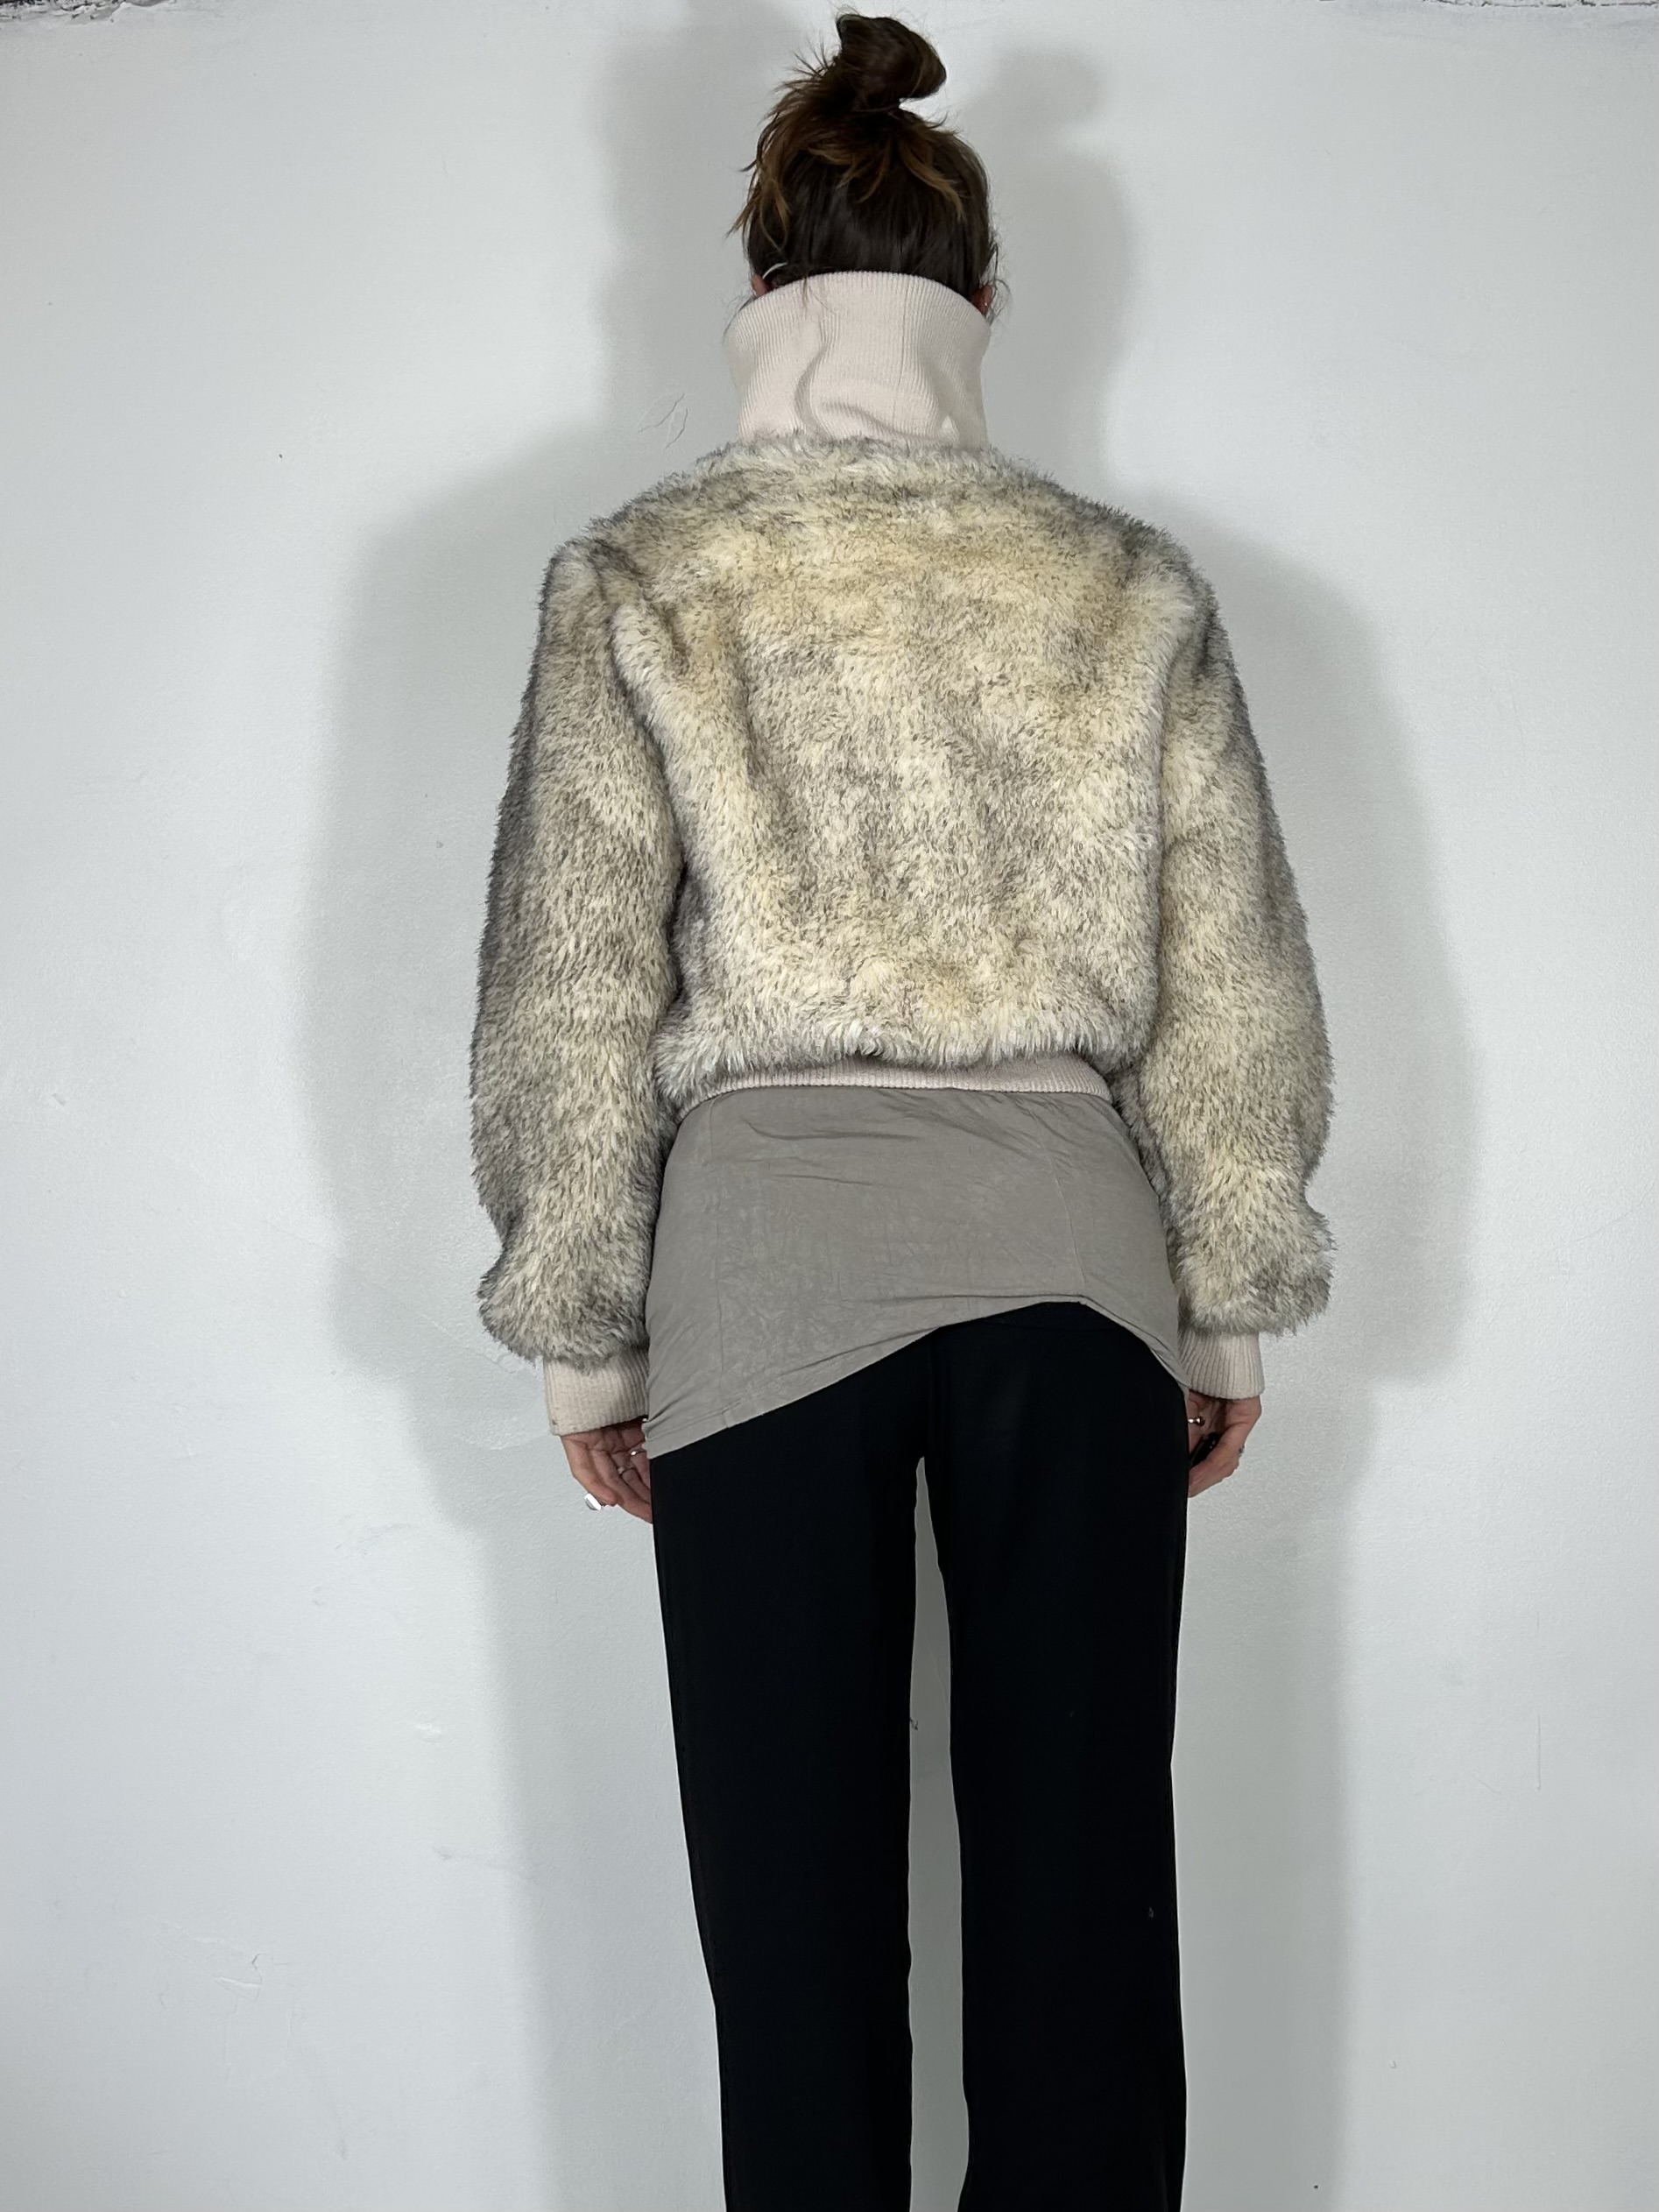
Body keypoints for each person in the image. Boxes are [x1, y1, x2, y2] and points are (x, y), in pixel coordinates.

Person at [469, 12, 1335, 2208]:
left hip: (755, 1276)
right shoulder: (1120, 582)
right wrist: (1221, 1305)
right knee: (1080, 1905)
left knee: (794, 1932)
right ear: (984, 301)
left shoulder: (643, 573)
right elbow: (1229, 971)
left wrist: (585, 1332)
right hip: (1073, 1268)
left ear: (760, 284)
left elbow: (568, 981)